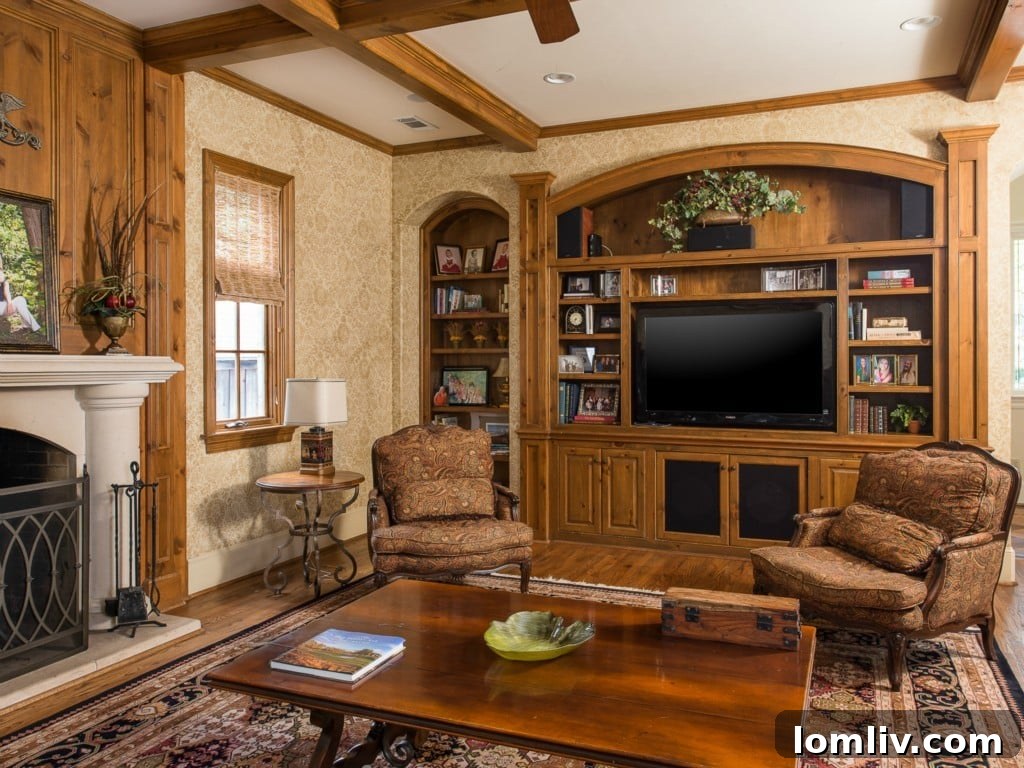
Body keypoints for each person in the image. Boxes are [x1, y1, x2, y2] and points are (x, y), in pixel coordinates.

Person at [0, 253, 41, 333]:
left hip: (2, 306)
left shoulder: (1, 275)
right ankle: (35, 328)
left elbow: (6, 291)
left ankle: (27, 326)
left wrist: (9, 303)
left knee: (20, 299)